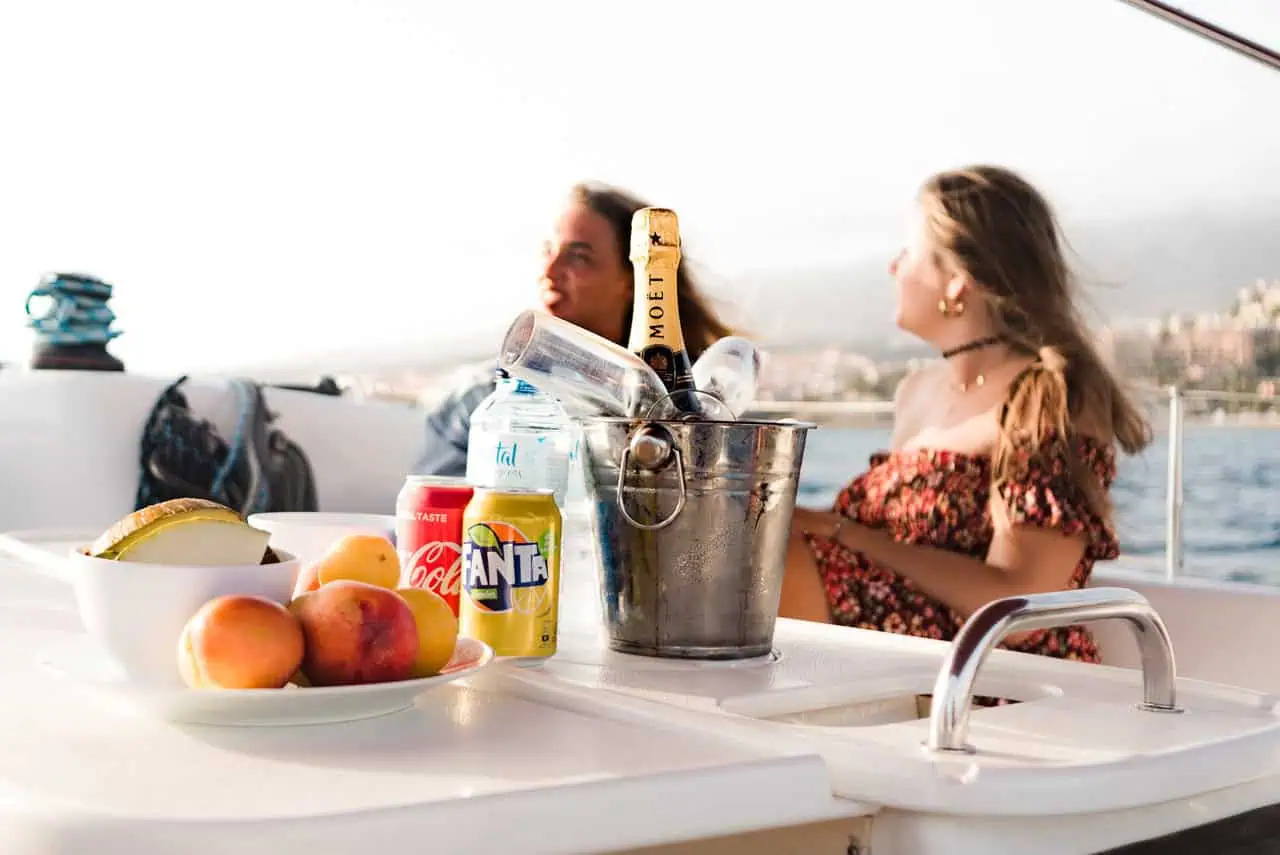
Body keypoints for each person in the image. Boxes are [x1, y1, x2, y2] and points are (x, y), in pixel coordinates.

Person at [780, 164, 1152, 663]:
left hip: (993, 673)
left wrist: (847, 535)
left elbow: (1021, 605)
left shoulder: (1048, 396)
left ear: (956, 282)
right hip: (894, 652)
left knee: (766, 562)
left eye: (909, 252)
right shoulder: (917, 391)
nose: (894, 267)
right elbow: (896, 542)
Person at [413, 181, 734, 476]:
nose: (550, 271)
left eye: (579, 257)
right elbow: (439, 521)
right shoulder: (477, 404)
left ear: (631, 280)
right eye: (548, 252)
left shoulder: (694, 408)